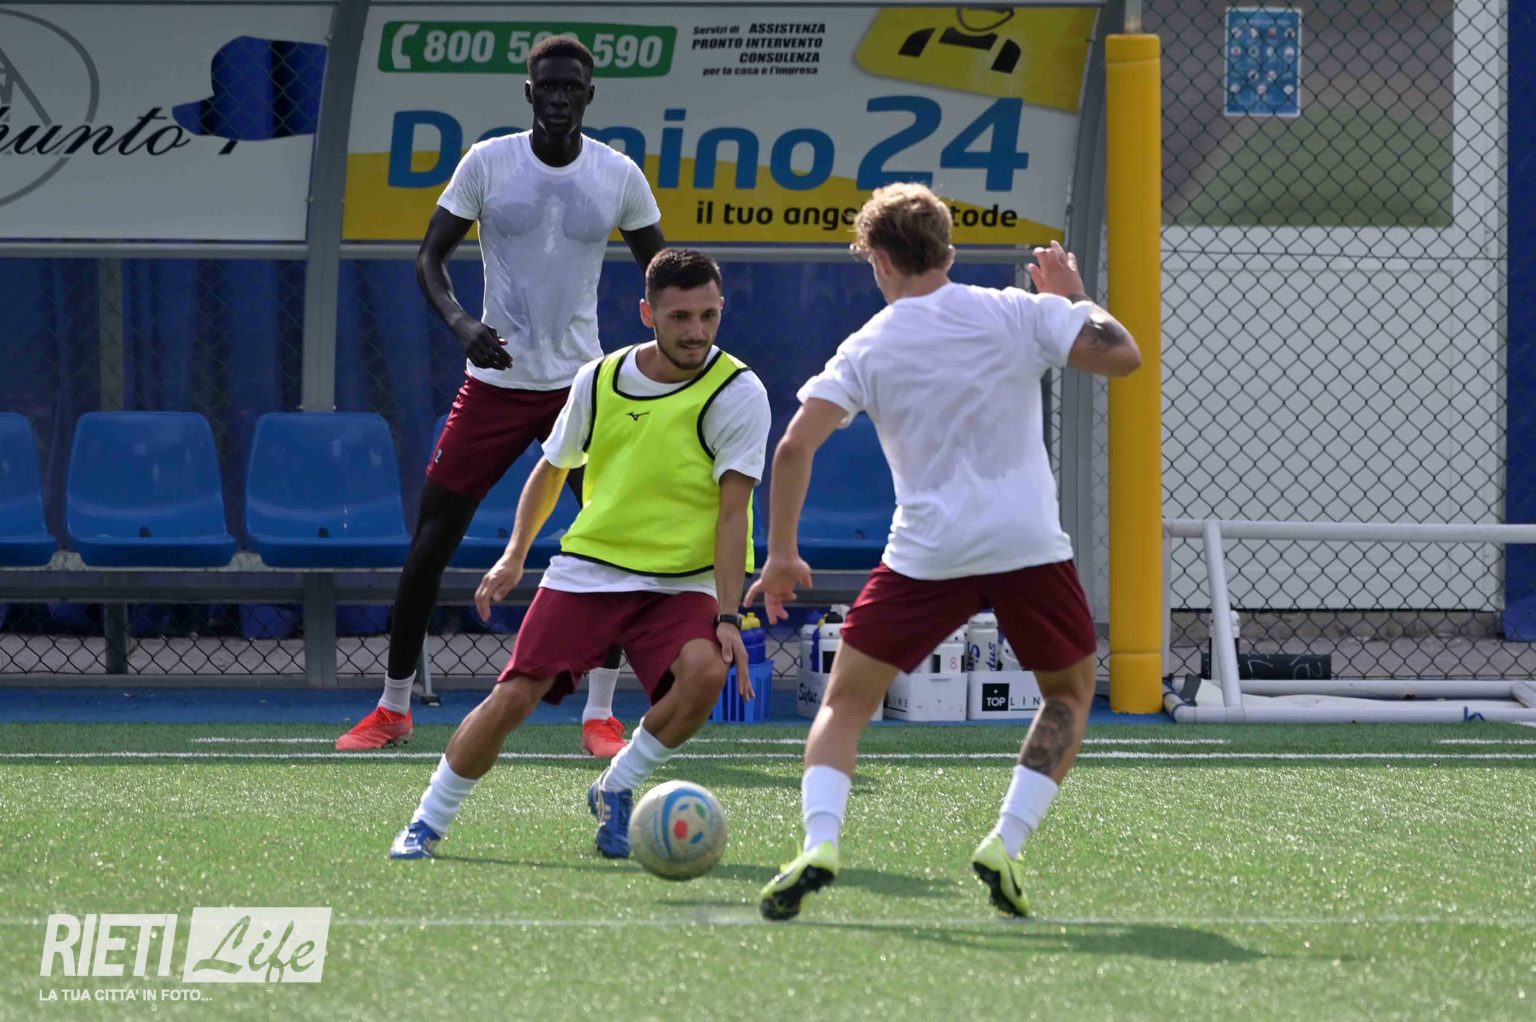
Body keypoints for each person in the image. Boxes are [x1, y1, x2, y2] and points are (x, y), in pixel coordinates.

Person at [747, 183, 1141, 920]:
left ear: (879, 260)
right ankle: (1006, 843)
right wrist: (1074, 297)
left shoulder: (868, 344)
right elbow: (1124, 356)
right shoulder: (1018, 311)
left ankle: (820, 843)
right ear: (948, 253)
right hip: (1027, 543)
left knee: (846, 705)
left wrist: (782, 555)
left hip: (927, 554)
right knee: (1068, 695)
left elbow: (794, 446)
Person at [337, 36, 665, 757]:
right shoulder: (487, 162)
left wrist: (661, 348)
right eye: (547, 86)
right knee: (430, 543)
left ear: (589, 96)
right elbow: (430, 257)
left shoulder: (618, 174)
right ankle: (392, 708)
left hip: (582, 388)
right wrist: (462, 323)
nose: (558, 97)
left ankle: (600, 716)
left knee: (614, 543)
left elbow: (662, 272)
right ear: (529, 92)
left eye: (571, 87)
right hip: (493, 384)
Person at [389, 248, 771, 860]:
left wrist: (728, 616)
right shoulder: (599, 378)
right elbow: (551, 468)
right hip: (591, 568)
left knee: (706, 674)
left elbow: (733, 515)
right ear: (647, 313)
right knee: (515, 697)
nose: (696, 331)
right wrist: (515, 554)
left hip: (682, 580)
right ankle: (426, 821)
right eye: (680, 316)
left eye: (708, 315)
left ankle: (616, 784)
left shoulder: (739, 392)